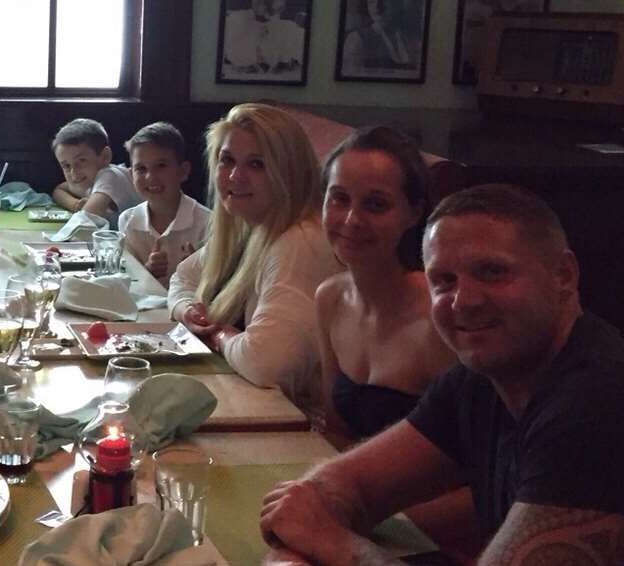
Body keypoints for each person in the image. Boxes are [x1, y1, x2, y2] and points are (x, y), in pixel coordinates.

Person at [250, 184, 624, 566]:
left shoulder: (604, 398)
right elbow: (345, 486)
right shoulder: (481, 378)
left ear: (563, 275)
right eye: (443, 281)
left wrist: (334, 546)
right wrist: (290, 557)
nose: (464, 301)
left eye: (492, 272)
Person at [168, 103, 340, 408]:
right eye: (227, 160)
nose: (236, 176)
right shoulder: (251, 224)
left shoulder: (299, 241)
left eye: (257, 164)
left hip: (298, 427)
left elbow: (266, 363)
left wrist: (219, 335)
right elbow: (183, 275)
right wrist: (187, 310)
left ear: (288, 173)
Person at [315, 126, 453, 443]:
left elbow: (471, 467)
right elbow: (335, 430)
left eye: (375, 205)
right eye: (339, 199)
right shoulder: (330, 298)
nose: (352, 219)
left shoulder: (440, 314)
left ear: (413, 213)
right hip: (353, 484)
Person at [117, 122, 209, 287]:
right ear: (131, 175)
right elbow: (128, 283)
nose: (150, 177)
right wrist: (147, 272)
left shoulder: (207, 223)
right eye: (141, 169)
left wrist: (196, 271)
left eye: (161, 166)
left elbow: (218, 288)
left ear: (183, 171)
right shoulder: (127, 220)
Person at [50, 118, 141, 228]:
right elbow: (59, 190)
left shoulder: (109, 176)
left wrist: (84, 211)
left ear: (105, 157)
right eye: (66, 166)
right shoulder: (88, 179)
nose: (74, 172)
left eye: (82, 161)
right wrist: (75, 204)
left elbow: (84, 224)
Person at [341, 0, 420, 75]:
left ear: (397, 3)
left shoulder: (409, 38)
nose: (377, 7)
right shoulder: (357, 39)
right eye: (371, 1)